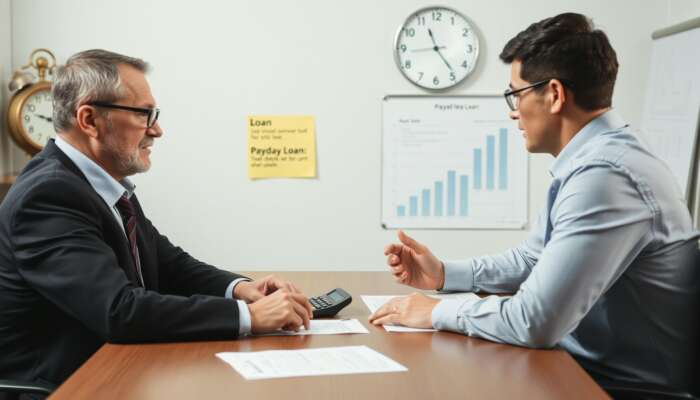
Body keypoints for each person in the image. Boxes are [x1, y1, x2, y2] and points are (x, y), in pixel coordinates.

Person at [370, 12, 699, 392]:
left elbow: (535, 320)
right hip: (579, 369)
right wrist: (444, 275)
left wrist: (437, 312)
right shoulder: (593, 159)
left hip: (615, 388)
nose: (512, 111)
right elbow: (534, 258)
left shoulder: (606, 176)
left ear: (555, 94)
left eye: (516, 93)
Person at [0, 49, 314, 387]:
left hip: (111, 370)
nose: (157, 130)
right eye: (144, 114)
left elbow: (167, 264)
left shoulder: (101, 183)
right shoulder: (47, 196)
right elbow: (118, 311)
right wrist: (249, 317)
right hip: (61, 387)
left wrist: (240, 289)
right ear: (89, 120)